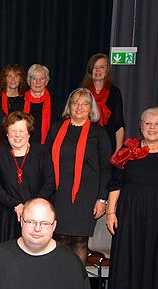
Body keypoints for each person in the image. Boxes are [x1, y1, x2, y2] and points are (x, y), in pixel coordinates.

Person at [107, 107, 158, 289]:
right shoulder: (129, 148)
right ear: (141, 127)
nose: (152, 128)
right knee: (129, 254)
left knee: (154, 256)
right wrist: (111, 212)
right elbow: (115, 183)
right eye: (148, 124)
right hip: (130, 211)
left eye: (157, 124)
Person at [47, 88, 111, 264]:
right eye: (75, 102)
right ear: (69, 105)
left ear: (91, 108)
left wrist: (102, 199)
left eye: (84, 103)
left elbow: (106, 168)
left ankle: (77, 288)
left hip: (87, 196)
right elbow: (46, 161)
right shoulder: (56, 128)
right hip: (59, 194)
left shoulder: (99, 133)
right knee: (59, 240)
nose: (79, 107)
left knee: (80, 242)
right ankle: (59, 286)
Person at [0, 111, 54, 245]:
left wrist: (31, 207)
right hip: (6, 215)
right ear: (7, 133)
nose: (17, 135)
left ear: (29, 133)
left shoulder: (41, 152)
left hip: (35, 216)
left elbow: (49, 183)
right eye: (13, 131)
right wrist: (16, 205)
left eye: (21, 131)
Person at [81, 53, 126, 152]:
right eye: (94, 67)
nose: (98, 70)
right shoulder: (82, 92)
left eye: (102, 67)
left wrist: (118, 150)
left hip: (108, 143)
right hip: (84, 141)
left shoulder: (114, 92)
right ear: (90, 70)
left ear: (107, 70)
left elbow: (119, 123)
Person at [23, 64, 60, 146]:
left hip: (49, 149)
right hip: (23, 149)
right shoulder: (18, 104)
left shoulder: (57, 104)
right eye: (34, 78)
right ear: (29, 81)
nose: (38, 82)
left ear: (46, 81)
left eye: (41, 79)